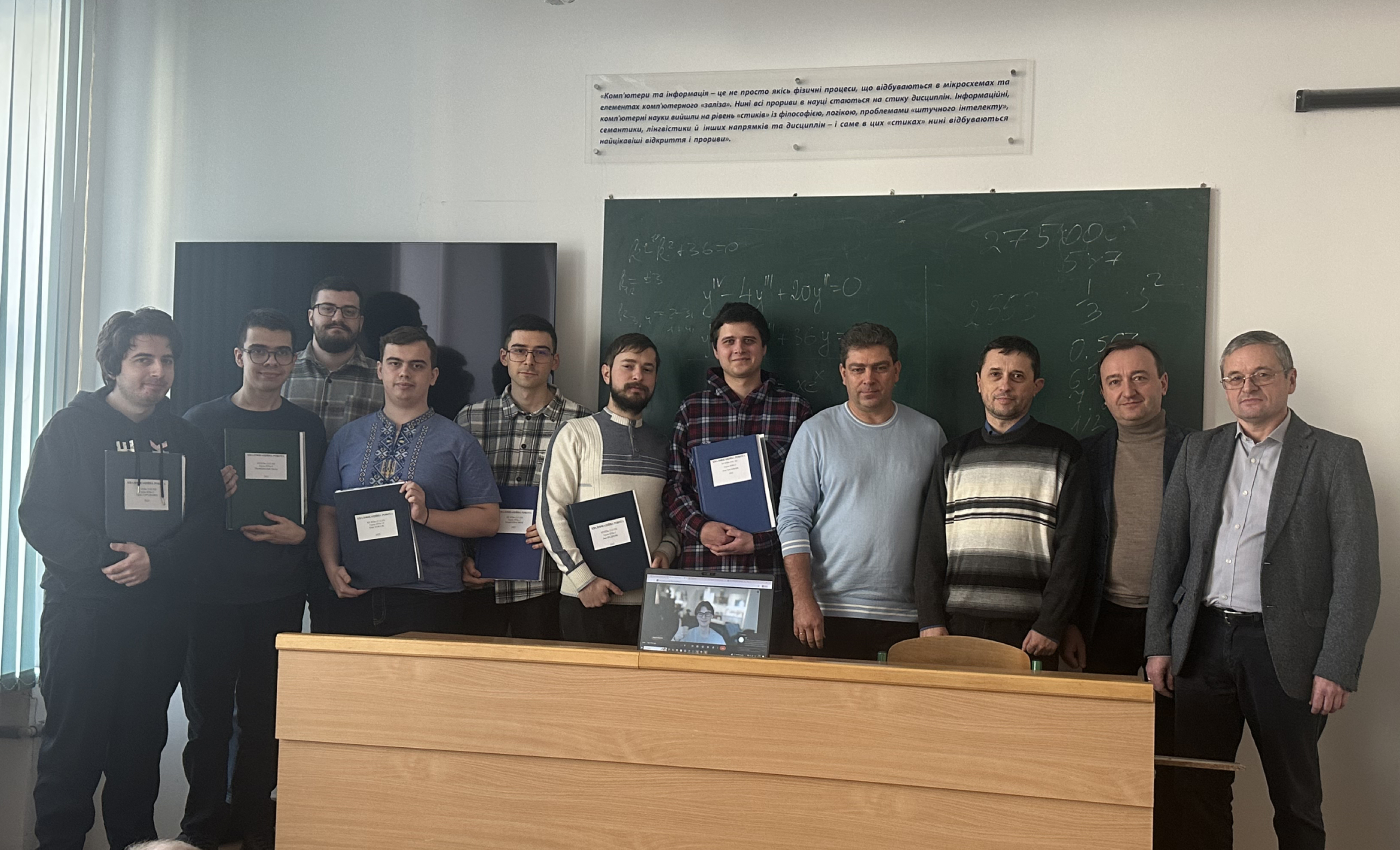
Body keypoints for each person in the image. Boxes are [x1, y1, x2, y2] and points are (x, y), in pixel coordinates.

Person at [1145, 330, 1380, 850]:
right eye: (1235, 378)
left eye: (1261, 374)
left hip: (1287, 650)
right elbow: (1170, 553)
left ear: (1290, 380)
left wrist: (1337, 664)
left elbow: (1358, 571)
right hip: (1202, 642)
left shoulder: (1335, 456)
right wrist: (1158, 642)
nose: (1247, 386)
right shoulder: (1198, 450)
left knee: (1296, 799)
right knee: (1199, 789)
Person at [19, 308, 223, 850]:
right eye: (143, 359)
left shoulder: (186, 438)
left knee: (139, 751)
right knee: (71, 752)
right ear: (114, 366)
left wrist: (158, 560)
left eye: (167, 360)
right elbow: (39, 516)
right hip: (80, 616)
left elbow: (209, 521)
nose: (158, 371)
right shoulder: (68, 428)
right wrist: (107, 558)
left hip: (157, 620)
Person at [177, 309, 328, 850]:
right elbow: (175, 512)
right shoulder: (199, 422)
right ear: (239, 356)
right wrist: (209, 492)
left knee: (265, 718)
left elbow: (321, 512)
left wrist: (302, 535)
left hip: (278, 595)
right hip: (209, 596)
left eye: (282, 352)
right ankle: (201, 826)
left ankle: (254, 825)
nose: (271, 361)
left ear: (294, 359)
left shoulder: (308, 428)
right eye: (259, 351)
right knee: (208, 720)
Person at [1059, 338, 1191, 849]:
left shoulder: (1199, 451)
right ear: (1103, 393)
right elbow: (1072, 546)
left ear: (1163, 383)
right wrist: (1072, 620)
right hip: (1103, 620)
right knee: (1101, 753)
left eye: (1139, 377)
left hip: (1177, 625)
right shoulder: (1086, 454)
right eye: (1115, 381)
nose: (1128, 390)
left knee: (1175, 756)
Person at [914, 335, 1090, 670]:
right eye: (995, 374)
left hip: (1030, 632)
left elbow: (1074, 549)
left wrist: (1051, 623)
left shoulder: (1063, 453)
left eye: (1017, 376)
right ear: (979, 383)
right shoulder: (952, 456)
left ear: (1037, 386)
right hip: (955, 628)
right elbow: (930, 545)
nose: (1005, 385)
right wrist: (930, 619)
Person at [315, 326, 500, 635]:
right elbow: (328, 512)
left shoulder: (458, 442)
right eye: (395, 363)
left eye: (417, 365)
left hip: (430, 598)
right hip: (355, 593)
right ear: (379, 370)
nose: (404, 373)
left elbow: (488, 520)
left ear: (433, 375)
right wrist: (332, 568)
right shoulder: (346, 438)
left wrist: (427, 515)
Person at [776, 323, 946, 661]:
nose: (868, 379)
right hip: (827, 613)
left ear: (896, 371)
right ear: (843, 374)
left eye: (879, 368)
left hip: (906, 616)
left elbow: (939, 529)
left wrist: (932, 614)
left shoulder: (929, 434)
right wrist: (803, 600)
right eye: (858, 369)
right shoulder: (815, 434)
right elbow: (792, 520)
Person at [663, 302, 812, 655]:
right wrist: (701, 528)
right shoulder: (692, 410)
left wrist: (759, 540)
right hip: (701, 574)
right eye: (728, 341)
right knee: (702, 680)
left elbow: (807, 498)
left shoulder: (795, 411)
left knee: (767, 679)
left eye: (749, 340)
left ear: (764, 347)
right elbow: (674, 486)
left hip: (770, 574)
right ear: (716, 350)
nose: (739, 349)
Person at [538, 333, 680, 645]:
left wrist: (666, 551)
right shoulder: (575, 434)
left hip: (650, 603)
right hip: (586, 600)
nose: (638, 376)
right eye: (628, 366)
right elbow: (550, 514)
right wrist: (583, 580)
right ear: (606, 373)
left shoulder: (663, 444)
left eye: (647, 369)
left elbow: (673, 516)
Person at [456, 314, 590, 639]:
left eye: (541, 352)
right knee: (475, 671)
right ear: (505, 357)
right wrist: (459, 558)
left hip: (547, 583)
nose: (529, 361)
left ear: (555, 361)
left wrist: (559, 529)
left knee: (539, 671)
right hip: (480, 577)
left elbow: (590, 499)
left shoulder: (583, 423)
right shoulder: (470, 419)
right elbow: (451, 497)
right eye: (519, 350)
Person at [282, 276, 384, 633]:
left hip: (348, 535)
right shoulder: (279, 370)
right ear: (311, 315)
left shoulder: (383, 379)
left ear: (360, 321)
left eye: (348, 311)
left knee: (338, 642)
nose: (337, 318)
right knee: (275, 641)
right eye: (327, 309)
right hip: (282, 526)